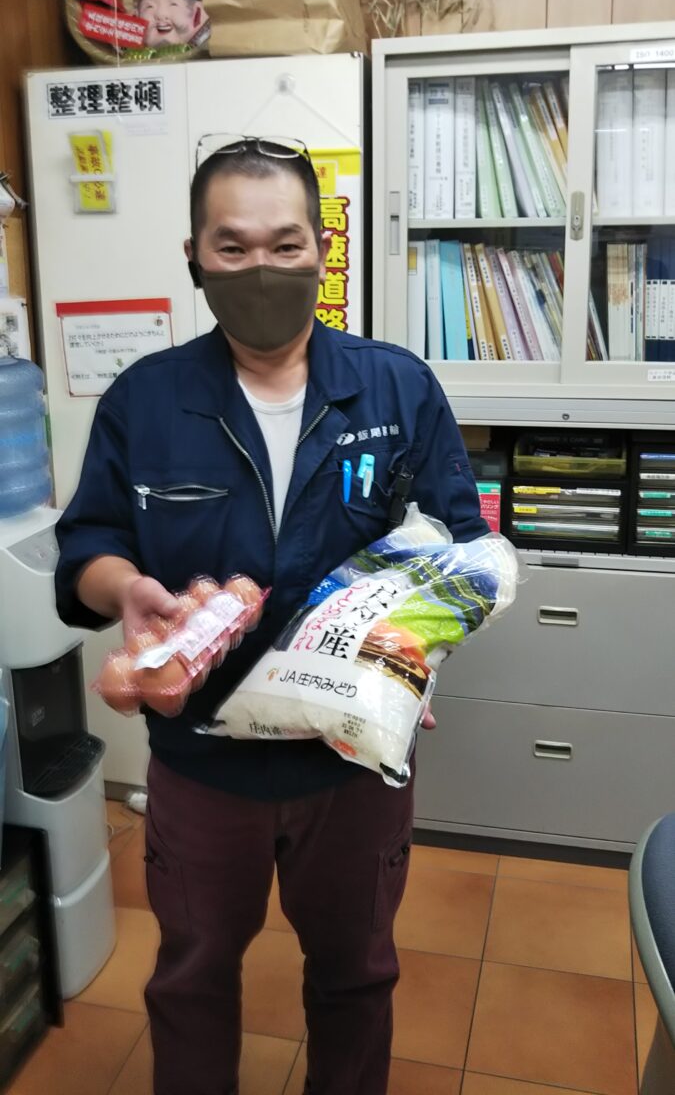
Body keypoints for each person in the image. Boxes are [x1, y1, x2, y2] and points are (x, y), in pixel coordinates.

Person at [54, 136, 487, 1095]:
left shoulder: (395, 386)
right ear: (195, 258)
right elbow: (88, 546)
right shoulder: (145, 400)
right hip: (202, 761)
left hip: (350, 760)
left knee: (355, 974)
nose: (262, 268)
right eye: (233, 246)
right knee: (192, 975)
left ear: (322, 253)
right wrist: (125, 590)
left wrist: (413, 651)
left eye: (286, 244)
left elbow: (459, 553)